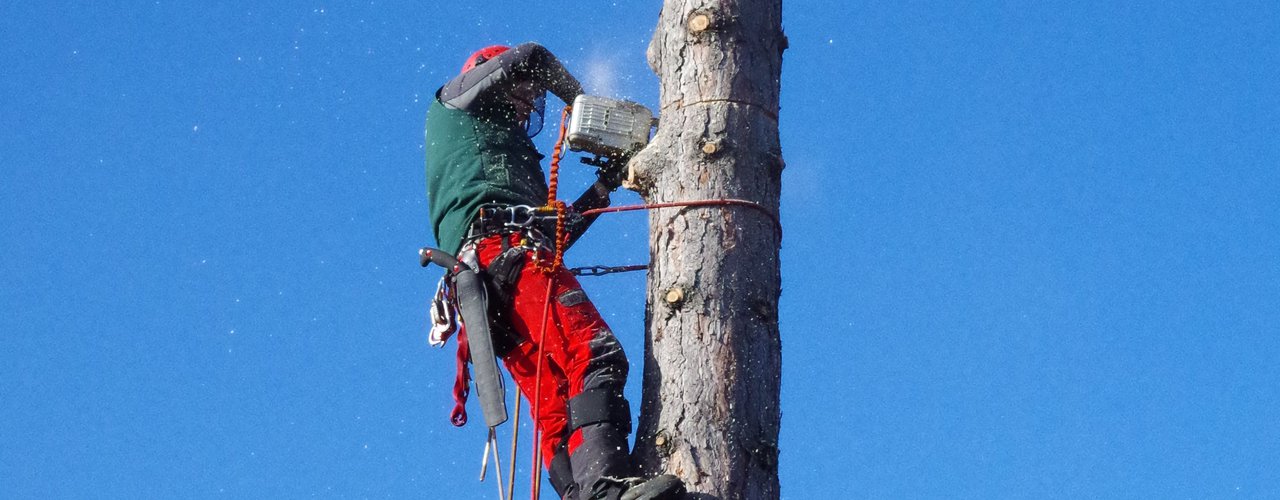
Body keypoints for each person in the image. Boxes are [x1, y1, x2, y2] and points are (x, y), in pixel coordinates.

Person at [423, 43, 685, 500]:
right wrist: (591, 110)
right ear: (489, 78)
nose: (529, 98)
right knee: (595, 354)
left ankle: (582, 493)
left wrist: (605, 185)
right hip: (504, 257)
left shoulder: (506, 160)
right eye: (522, 89)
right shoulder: (454, 105)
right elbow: (533, 56)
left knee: (557, 403)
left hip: (492, 275)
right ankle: (605, 486)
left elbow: (554, 234)